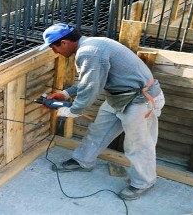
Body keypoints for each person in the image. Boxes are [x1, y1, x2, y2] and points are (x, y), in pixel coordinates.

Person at [39, 23, 165, 201]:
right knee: (98, 131)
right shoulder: (92, 44)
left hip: (140, 101)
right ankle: (83, 161)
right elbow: (90, 80)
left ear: (65, 43)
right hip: (119, 97)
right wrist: (66, 94)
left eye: (54, 47)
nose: (54, 52)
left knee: (138, 144)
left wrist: (71, 111)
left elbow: (91, 89)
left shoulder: (89, 52)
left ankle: (144, 182)